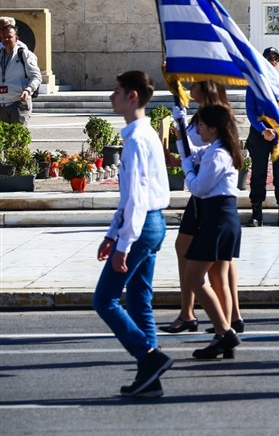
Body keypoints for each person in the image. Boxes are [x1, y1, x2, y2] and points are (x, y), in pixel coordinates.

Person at [93, 70, 172, 399]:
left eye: (117, 91)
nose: (112, 96)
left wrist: (123, 243)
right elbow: (130, 198)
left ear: (133, 96)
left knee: (105, 300)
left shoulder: (138, 139)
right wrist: (113, 233)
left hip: (141, 227)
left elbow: (136, 198)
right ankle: (149, 376)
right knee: (140, 300)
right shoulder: (144, 134)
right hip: (151, 224)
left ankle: (149, 356)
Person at [160, 80, 245, 335]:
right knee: (208, 259)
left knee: (213, 264)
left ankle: (224, 322)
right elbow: (196, 153)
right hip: (207, 199)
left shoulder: (217, 117)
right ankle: (223, 321)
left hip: (209, 200)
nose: (189, 89)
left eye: (195, 85)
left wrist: (185, 161)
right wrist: (180, 134)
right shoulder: (203, 117)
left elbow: (200, 165)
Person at [179, 104, 244, 360]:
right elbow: (193, 152)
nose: (200, 130)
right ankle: (223, 334)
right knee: (218, 277)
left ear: (214, 129)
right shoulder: (217, 149)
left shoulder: (218, 154)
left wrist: (186, 169)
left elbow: (199, 187)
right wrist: (181, 127)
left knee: (194, 277)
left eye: (202, 126)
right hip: (220, 217)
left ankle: (225, 332)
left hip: (216, 217)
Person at [245, 47, 279, 227]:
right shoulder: (254, 85)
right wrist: (263, 130)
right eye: (269, 58)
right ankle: (256, 213)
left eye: (276, 59)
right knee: (258, 173)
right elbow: (250, 111)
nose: (273, 62)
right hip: (260, 134)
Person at [0, 22, 41, 125]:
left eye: (9, 37)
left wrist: (28, 90)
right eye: (4, 37)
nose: (6, 40)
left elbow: (36, 77)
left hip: (18, 103)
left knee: (18, 139)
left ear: (16, 38)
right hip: (1, 103)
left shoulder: (25, 55)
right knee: (3, 140)